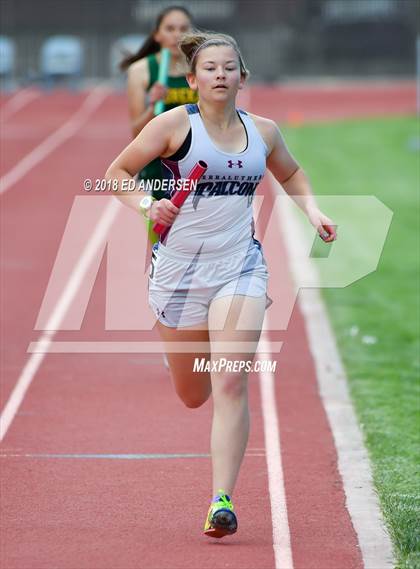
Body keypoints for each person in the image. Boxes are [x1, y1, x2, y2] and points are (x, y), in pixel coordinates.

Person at [106, 30, 337, 539]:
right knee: (193, 394)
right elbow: (117, 173)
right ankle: (183, 354)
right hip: (178, 275)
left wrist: (312, 209)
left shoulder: (265, 132)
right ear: (193, 79)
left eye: (229, 67)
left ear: (242, 77)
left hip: (239, 269)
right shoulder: (173, 126)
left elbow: (291, 173)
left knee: (231, 379)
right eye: (210, 68)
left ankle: (221, 500)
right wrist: (149, 204)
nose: (219, 75)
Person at [120, 5, 198, 203]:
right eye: (170, 29)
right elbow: (137, 133)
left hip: (196, 163)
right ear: (157, 35)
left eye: (183, 29)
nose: (177, 35)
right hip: (157, 167)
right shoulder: (141, 70)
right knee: (159, 230)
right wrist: (153, 106)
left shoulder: (203, 68)